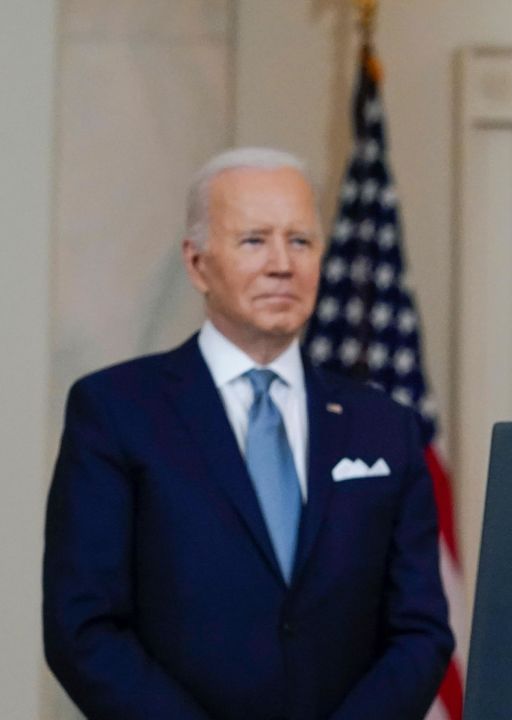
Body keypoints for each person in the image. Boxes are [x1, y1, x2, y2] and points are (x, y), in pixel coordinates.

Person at [43, 148, 454, 719]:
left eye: (301, 241)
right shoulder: (115, 412)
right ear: (196, 264)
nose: (282, 263)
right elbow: (82, 628)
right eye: (254, 240)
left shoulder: (387, 427)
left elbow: (421, 631)